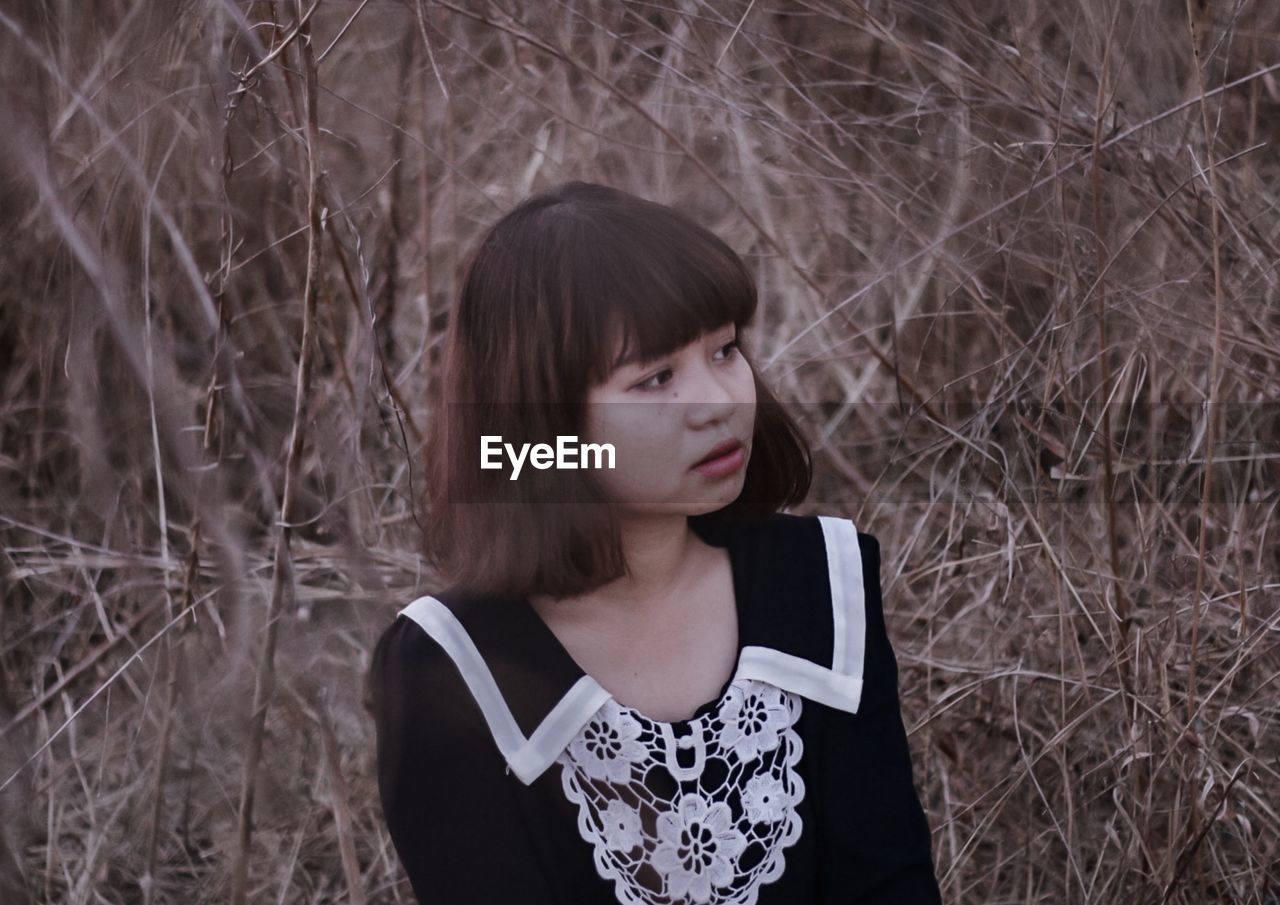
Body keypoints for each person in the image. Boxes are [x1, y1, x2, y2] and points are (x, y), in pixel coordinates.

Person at [367, 181, 942, 904]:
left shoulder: (819, 581)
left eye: (726, 349)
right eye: (657, 377)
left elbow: (890, 885)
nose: (721, 401)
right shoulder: (448, 664)